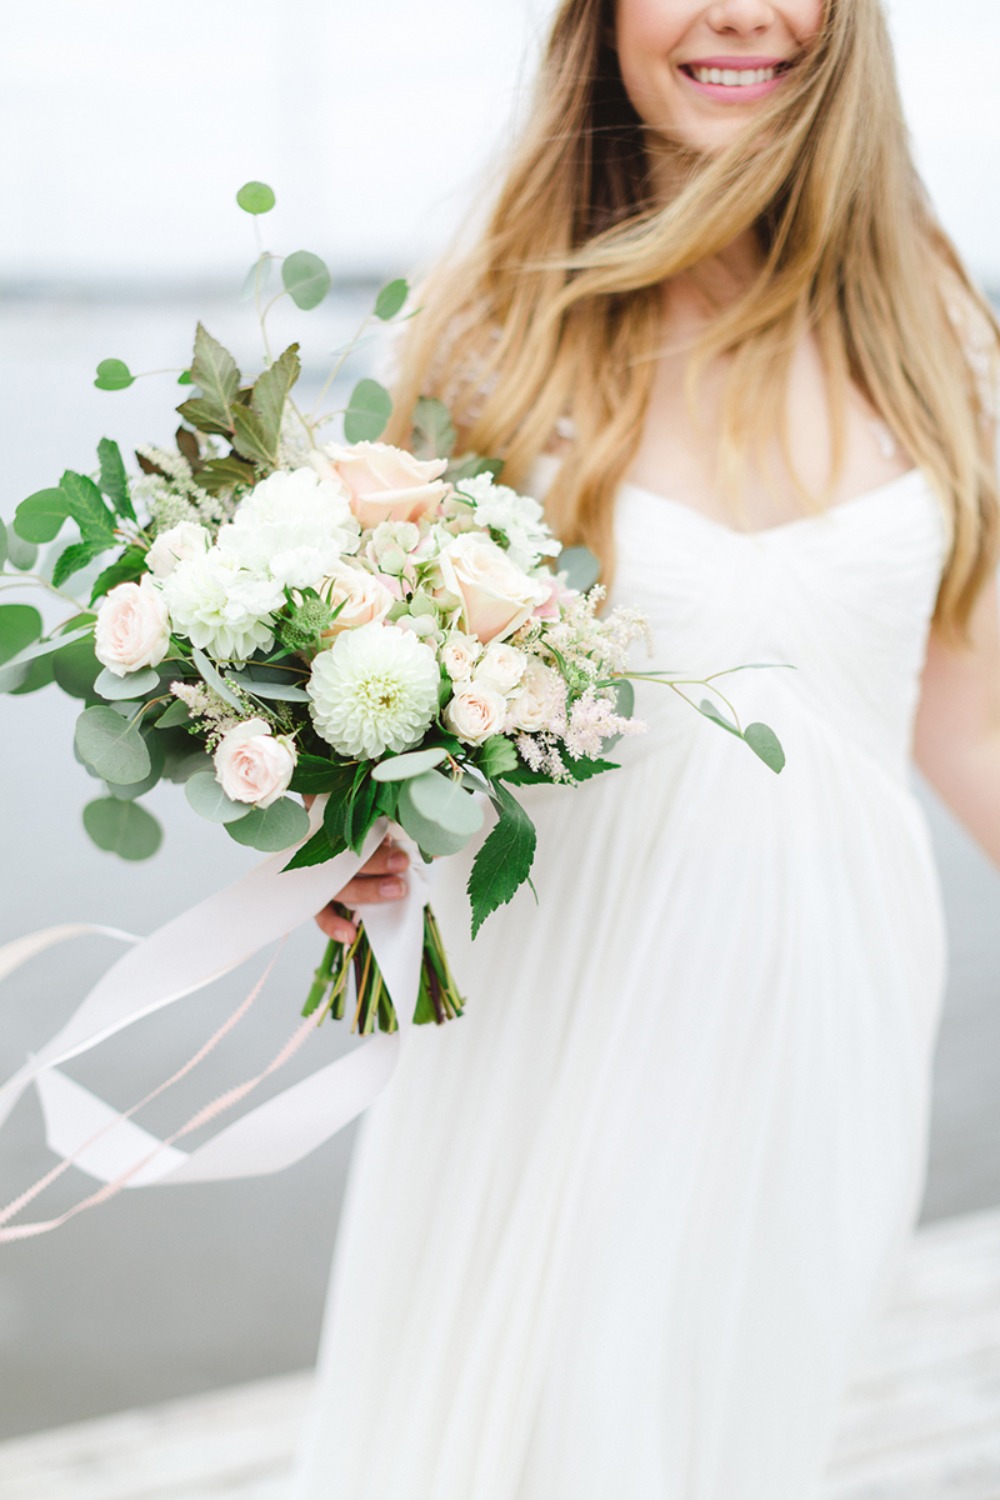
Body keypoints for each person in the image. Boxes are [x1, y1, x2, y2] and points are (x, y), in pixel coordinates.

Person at [291, 2, 1000, 1495]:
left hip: (835, 1013)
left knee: (745, 1422)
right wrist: (354, 892)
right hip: (562, 1016)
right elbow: (386, 758)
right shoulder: (497, 327)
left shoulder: (932, 323)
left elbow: (972, 716)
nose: (745, 12)